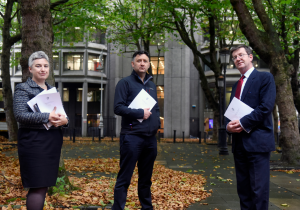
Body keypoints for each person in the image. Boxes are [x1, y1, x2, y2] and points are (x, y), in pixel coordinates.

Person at [13, 51, 68, 210]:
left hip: (52, 142)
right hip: (33, 142)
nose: (42, 69)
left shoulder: (52, 90)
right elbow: (20, 115)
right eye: (38, 66)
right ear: (30, 69)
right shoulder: (23, 88)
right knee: (37, 185)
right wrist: (47, 116)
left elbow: (62, 115)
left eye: (45, 66)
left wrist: (65, 121)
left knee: (44, 185)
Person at [226, 45, 276, 210]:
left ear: (250, 57)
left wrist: (242, 123)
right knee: (244, 191)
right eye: (235, 57)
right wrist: (228, 126)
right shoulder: (235, 86)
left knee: (258, 191)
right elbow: (233, 113)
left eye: (241, 55)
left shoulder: (265, 78)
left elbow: (265, 107)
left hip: (257, 144)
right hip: (239, 145)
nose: (238, 59)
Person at [113, 50, 160, 210]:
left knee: (146, 179)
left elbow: (156, 109)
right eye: (139, 60)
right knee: (124, 178)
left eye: (145, 61)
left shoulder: (152, 85)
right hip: (131, 137)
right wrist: (140, 113)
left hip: (150, 139)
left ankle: (147, 208)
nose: (142, 63)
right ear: (133, 64)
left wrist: (156, 126)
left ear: (148, 64)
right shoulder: (124, 83)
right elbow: (118, 108)